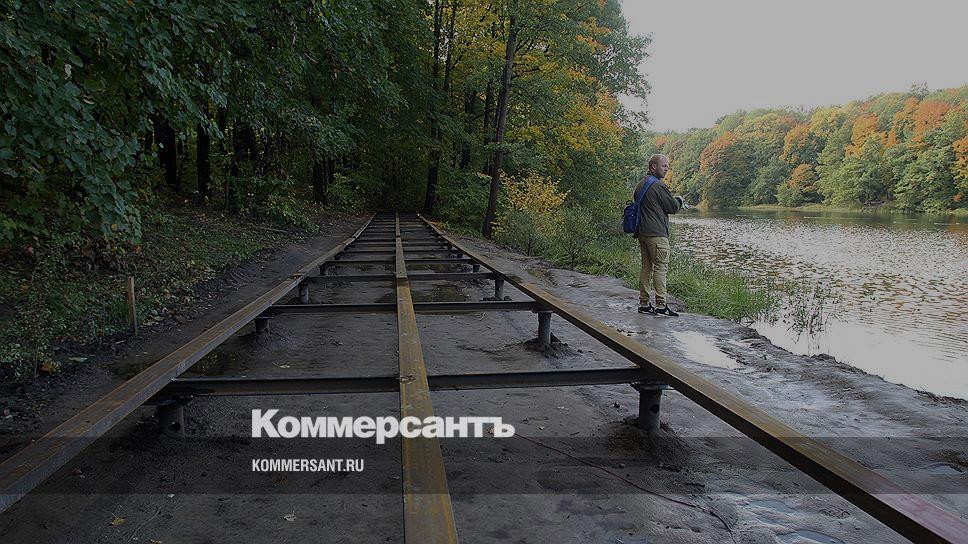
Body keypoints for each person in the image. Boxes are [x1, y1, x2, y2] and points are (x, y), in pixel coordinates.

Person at [634, 154, 687, 316]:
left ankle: (644, 304)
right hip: (657, 234)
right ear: (653, 166)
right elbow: (672, 207)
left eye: (667, 166)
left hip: (642, 232)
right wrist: (679, 200)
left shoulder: (640, 185)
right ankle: (661, 305)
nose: (666, 169)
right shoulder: (658, 185)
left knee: (646, 268)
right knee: (660, 268)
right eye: (664, 166)